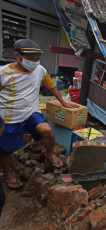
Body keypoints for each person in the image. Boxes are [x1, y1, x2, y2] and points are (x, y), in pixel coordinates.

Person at [0, 39, 78, 190]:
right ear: (17, 55)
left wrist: (63, 102)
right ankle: (8, 173)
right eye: (31, 59)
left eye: (37, 59)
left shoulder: (40, 70)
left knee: (47, 131)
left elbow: (51, 86)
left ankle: (50, 153)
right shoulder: (3, 74)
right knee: (5, 149)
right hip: (9, 117)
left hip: (31, 113)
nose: (35, 63)